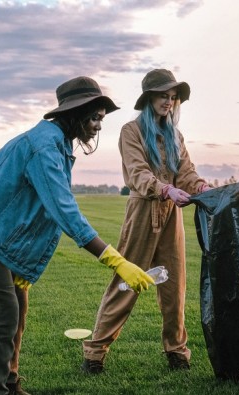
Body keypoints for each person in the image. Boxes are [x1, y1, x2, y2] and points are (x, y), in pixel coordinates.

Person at [0, 76, 154, 395]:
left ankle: (12, 384)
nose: (99, 125)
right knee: (2, 317)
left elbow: (36, 211)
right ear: (75, 113)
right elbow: (63, 211)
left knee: (18, 307)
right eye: (95, 117)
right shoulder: (44, 145)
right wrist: (116, 261)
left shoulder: (58, 143)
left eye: (101, 118)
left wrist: (23, 265)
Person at [82, 69, 210, 373]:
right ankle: (95, 352)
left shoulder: (175, 135)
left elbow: (187, 172)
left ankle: (177, 350)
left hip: (171, 216)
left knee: (174, 285)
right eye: (164, 96)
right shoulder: (131, 131)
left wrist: (201, 187)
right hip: (142, 211)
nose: (169, 101)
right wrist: (165, 188)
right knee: (127, 282)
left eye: (173, 97)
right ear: (149, 98)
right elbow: (137, 173)